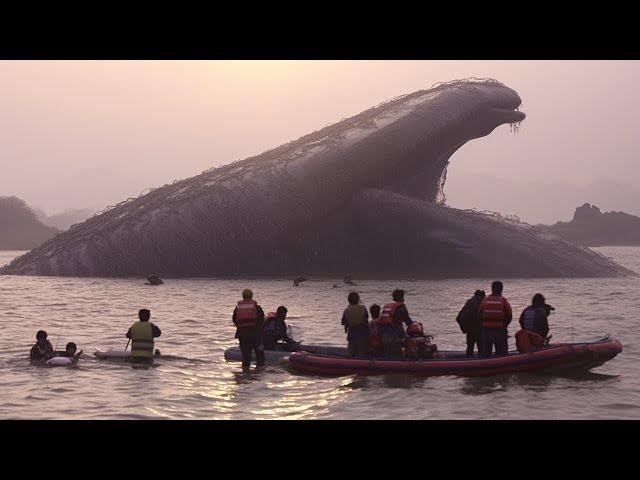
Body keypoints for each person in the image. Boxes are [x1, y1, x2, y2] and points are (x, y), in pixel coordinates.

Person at [232, 289, 265, 369]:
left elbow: (234, 319)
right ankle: (259, 373)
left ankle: (245, 374)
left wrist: (241, 327)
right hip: (255, 334)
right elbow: (261, 320)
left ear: (243, 296)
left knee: (246, 357)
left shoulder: (238, 307)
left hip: (242, 335)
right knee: (259, 356)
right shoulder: (256, 307)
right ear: (251, 296)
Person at [477, 281, 512, 356]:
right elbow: (509, 315)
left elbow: (479, 314)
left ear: (492, 289)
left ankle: (485, 363)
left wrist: (483, 325)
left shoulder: (485, 300)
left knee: (486, 351)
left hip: (486, 329)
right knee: (501, 351)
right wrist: (504, 326)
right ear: (501, 289)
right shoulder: (503, 300)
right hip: (499, 329)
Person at [377, 289, 413, 358]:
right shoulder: (401, 307)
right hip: (395, 336)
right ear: (402, 298)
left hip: (384, 336)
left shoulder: (387, 306)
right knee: (398, 354)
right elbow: (408, 321)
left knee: (387, 353)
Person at [456, 290, 486, 358]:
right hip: (478, 329)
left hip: (470, 330)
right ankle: (482, 364)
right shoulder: (481, 302)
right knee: (481, 349)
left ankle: (468, 361)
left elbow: (459, 318)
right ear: (482, 296)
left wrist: (465, 329)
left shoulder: (469, 302)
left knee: (470, 348)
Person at [341, 292, 370, 357]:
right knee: (362, 352)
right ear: (358, 300)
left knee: (350, 351)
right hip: (363, 333)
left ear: (348, 301)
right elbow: (366, 319)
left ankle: (349, 362)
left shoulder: (347, 310)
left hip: (352, 334)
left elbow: (343, 322)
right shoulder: (363, 308)